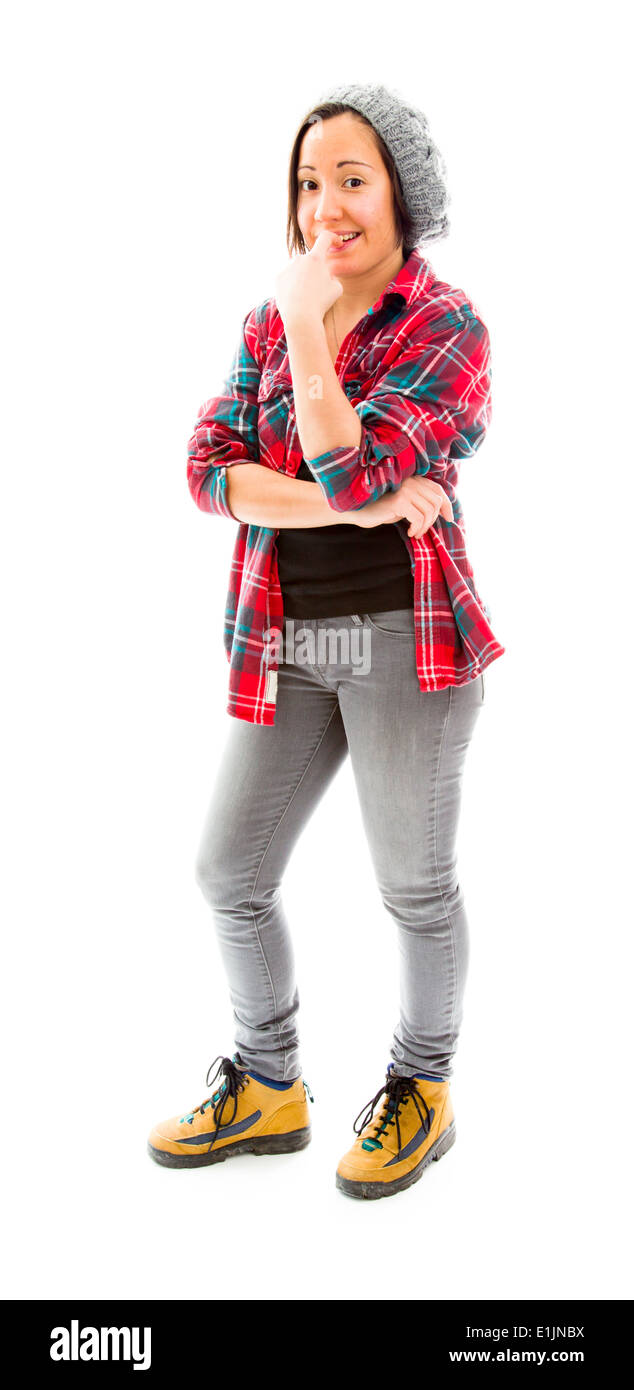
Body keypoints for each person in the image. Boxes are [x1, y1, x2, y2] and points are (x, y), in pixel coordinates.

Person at [147, 82, 505, 1200]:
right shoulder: (264, 322)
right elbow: (209, 471)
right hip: (287, 640)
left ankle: (423, 1087)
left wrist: (308, 335)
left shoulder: (446, 328)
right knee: (227, 870)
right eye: (311, 182)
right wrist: (356, 502)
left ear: (402, 190)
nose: (326, 207)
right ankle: (268, 1082)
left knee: (412, 887)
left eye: (352, 179)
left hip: (408, 644)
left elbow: (338, 460)